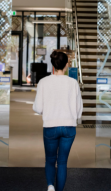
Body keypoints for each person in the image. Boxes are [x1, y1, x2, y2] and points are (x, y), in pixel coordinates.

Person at [33, 51, 83, 191]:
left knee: (50, 160)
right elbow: (79, 111)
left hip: (50, 126)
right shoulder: (73, 83)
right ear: (67, 65)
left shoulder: (43, 82)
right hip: (69, 127)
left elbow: (37, 108)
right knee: (62, 162)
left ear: (53, 65)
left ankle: (50, 186)